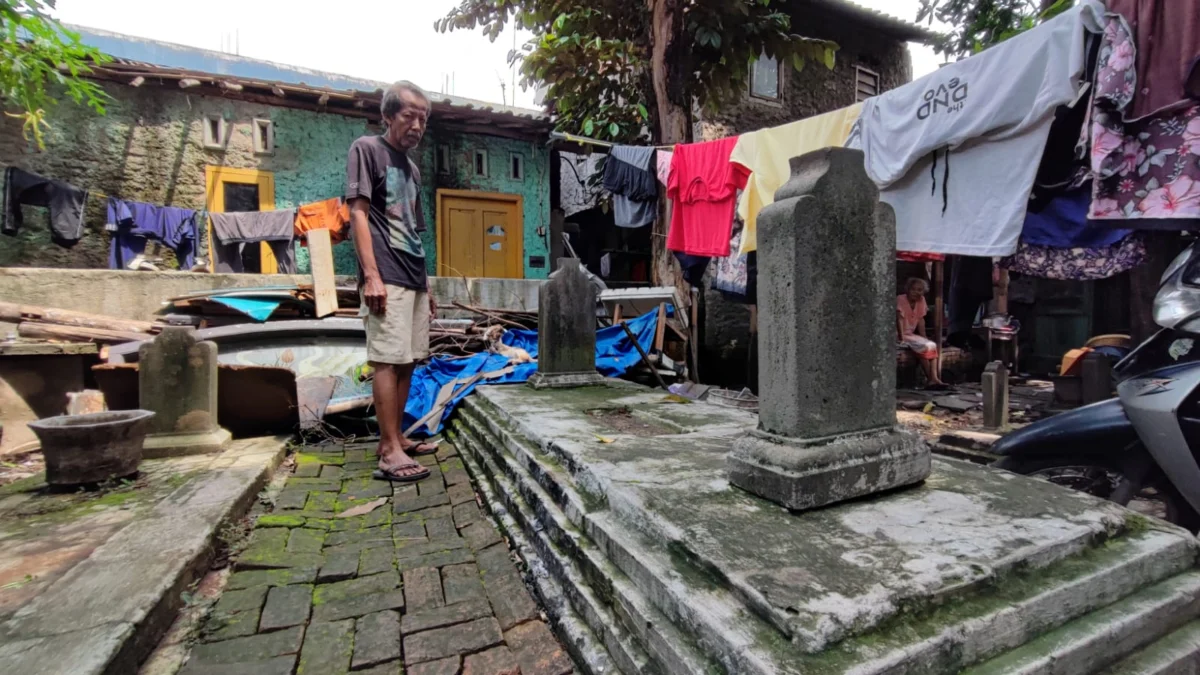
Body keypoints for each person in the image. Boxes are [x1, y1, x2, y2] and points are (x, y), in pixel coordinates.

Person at [347, 81, 437, 483]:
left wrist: (428, 286)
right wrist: (371, 276)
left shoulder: (413, 168)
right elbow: (358, 214)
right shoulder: (367, 150)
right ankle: (387, 450)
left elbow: (414, 231)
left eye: (423, 118)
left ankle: (398, 436)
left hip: (413, 275)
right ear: (388, 116)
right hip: (385, 273)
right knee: (386, 359)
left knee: (408, 360)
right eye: (409, 116)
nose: (417, 125)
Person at [897, 277, 948, 390]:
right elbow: (899, 319)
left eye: (919, 290)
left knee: (931, 345)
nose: (916, 292)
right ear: (908, 289)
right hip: (899, 333)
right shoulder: (901, 299)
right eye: (913, 289)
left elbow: (921, 320)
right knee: (925, 346)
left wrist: (923, 336)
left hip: (910, 334)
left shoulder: (921, 300)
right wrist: (901, 338)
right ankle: (932, 379)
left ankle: (934, 378)